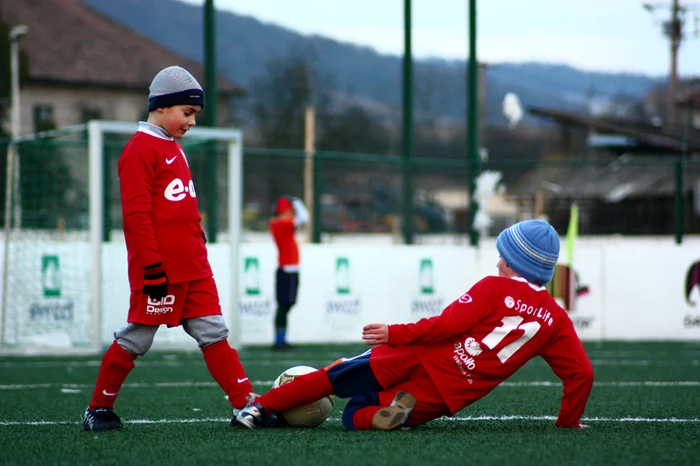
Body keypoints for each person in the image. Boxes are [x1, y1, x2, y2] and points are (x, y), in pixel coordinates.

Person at [235, 219, 594, 431]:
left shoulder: (493, 287)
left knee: (336, 374)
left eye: (503, 255)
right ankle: (383, 415)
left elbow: (445, 326)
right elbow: (581, 374)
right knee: (354, 415)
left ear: (514, 261)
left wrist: (395, 334)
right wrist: (568, 422)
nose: (498, 261)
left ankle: (260, 408)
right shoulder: (556, 320)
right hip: (449, 392)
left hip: (418, 355)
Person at [82, 65, 254, 432]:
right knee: (136, 339)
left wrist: (199, 244)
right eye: (187, 113)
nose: (191, 122)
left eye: (194, 115)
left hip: (194, 267)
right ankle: (98, 408)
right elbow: (137, 217)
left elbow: (182, 209)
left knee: (214, 333)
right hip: (161, 270)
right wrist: (152, 267)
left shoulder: (174, 147)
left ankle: (246, 405)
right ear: (161, 106)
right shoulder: (139, 150)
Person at [269, 195, 308, 350]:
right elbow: (304, 218)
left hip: (290, 270)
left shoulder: (282, 223)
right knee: (283, 306)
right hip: (286, 270)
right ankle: (279, 340)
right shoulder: (280, 223)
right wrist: (298, 202)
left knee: (286, 305)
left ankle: (281, 339)